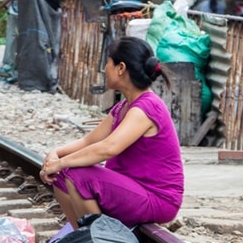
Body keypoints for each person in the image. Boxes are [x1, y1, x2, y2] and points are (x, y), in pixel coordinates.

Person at [40, 36, 184, 229]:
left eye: (107, 63)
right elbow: (89, 140)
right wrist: (55, 153)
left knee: (77, 174)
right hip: (134, 189)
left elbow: (108, 148)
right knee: (63, 175)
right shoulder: (124, 106)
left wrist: (61, 162)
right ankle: (81, 238)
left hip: (156, 198)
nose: (105, 69)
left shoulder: (146, 107)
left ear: (121, 68)